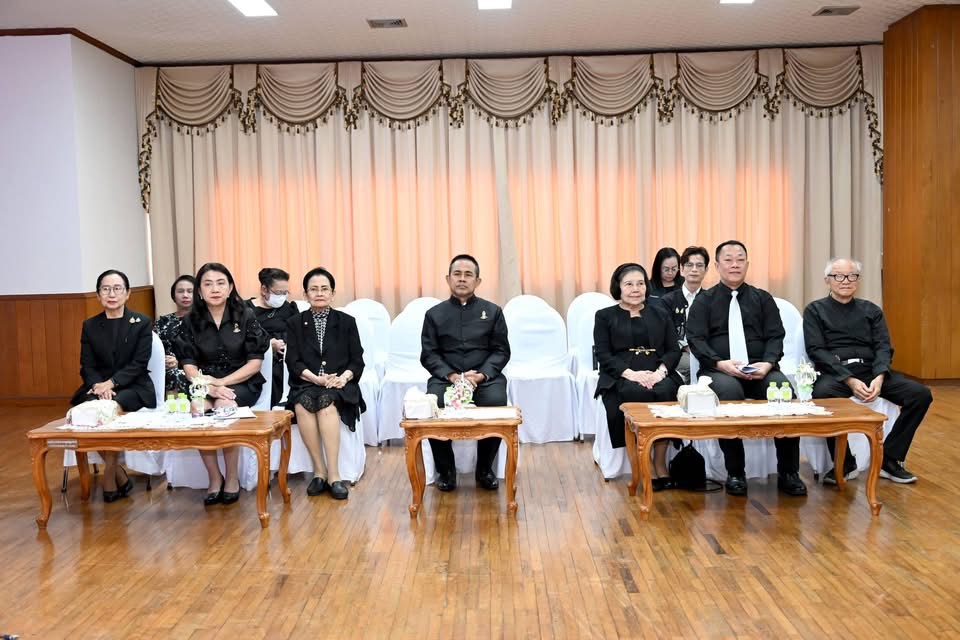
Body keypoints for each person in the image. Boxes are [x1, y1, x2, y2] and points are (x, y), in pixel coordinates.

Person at [686, 240, 806, 497]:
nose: (735, 265)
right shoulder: (704, 301)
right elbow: (696, 340)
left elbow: (776, 336)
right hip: (718, 369)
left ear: (747, 265)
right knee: (729, 392)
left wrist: (768, 363)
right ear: (717, 266)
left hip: (760, 369)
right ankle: (735, 472)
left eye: (740, 259)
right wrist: (720, 363)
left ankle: (789, 472)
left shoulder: (762, 299)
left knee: (783, 390)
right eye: (728, 260)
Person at [803, 258, 932, 484]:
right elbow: (817, 350)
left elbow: (883, 346)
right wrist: (849, 380)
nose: (845, 281)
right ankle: (844, 463)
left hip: (872, 370)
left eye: (852, 276)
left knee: (920, 394)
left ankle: (889, 459)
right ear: (827, 280)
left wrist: (880, 377)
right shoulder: (815, 310)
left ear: (858, 280)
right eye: (838, 276)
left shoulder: (871, 310)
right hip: (837, 373)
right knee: (822, 395)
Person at [174, 263, 269, 506]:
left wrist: (221, 384)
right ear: (199, 291)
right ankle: (214, 477)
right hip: (204, 382)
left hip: (241, 381)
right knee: (197, 407)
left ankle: (232, 478)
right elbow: (188, 365)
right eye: (208, 284)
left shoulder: (245, 315)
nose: (215, 289)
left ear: (230, 287)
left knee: (224, 405)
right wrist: (209, 386)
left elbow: (255, 363)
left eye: (220, 283)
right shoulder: (190, 321)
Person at [421, 254, 510, 492]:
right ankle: (446, 471)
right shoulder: (434, 314)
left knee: (495, 401)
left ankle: (484, 469)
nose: (462, 279)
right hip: (447, 378)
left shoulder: (493, 311)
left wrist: (480, 375)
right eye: (457, 274)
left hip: (483, 379)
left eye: (468, 274)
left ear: (477, 281)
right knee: (435, 403)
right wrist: (452, 376)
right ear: (448, 279)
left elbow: (501, 351)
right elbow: (429, 354)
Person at [71, 269, 157, 502]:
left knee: (107, 410)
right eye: (106, 289)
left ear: (127, 293)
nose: (111, 294)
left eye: (117, 288)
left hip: (133, 386)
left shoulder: (141, 322)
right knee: (87, 412)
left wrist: (112, 383)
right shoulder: (90, 325)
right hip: (98, 386)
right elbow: (87, 365)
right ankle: (118, 472)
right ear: (98, 294)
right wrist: (98, 385)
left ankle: (109, 475)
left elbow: (139, 363)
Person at [594, 263, 682, 490]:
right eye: (629, 284)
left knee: (666, 394)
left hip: (658, 372)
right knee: (633, 395)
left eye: (640, 283)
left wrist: (660, 373)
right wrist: (631, 374)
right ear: (618, 287)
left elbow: (673, 350)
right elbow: (603, 354)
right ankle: (643, 464)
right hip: (621, 373)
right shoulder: (604, 316)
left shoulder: (661, 313)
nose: (635, 289)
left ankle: (659, 463)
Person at [284, 267, 365, 500]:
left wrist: (343, 378)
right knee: (303, 405)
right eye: (313, 289)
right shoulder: (295, 323)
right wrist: (315, 378)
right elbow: (293, 361)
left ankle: (334, 476)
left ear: (332, 293)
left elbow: (357, 360)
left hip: (339, 384)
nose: (319, 293)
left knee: (326, 405)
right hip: (307, 381)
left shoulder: (347, 322)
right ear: (305, 294)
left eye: (324, 289)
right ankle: (319, 472)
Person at [656, 246, 710, 383]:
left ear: (706, 270)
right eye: (689, 265)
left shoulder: (712, 299)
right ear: (681, 268)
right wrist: (686, 346)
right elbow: (665, 334)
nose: (694, 269)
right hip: (678, 353)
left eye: (699, 265)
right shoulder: (667, 301)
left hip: (706, 353)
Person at [248, 267, 299, 407]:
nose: (282, 297)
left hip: (285, 361)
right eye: (278, 293)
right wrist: (268, 345)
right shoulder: (246, 310)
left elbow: (299, 334)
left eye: (285, 292)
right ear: (264, 289)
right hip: (256, 361)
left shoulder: (289, 309)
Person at [155, 275, 194, 395]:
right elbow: (152, 349)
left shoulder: (204, 321)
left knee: (176, 375)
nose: (185, 295)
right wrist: (162, 361)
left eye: (190, 291)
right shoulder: (163, 322)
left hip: (194, 369)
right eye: (180, 291)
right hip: (165, 369)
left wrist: (180, 363)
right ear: (173, 296)